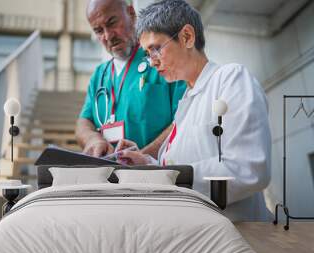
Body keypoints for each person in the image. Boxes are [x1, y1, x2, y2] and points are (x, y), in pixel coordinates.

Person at [116, 0, 272, 221]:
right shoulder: (187, 102)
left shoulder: (230, 79)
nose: (152, 62)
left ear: (187, 37)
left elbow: (248, 168)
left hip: (236, 236)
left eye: (156, 49)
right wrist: (147, 163)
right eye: (147, 54)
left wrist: (164, 176)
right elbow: (177, 169)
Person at [75, 0, 186, 158]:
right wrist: (92, 139)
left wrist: (144, 158)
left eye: (112, 22)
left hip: (156, 174)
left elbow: (185, 118)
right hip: (108, 176)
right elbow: (83, 122)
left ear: (131, 14)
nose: (108, 35)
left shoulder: (163, 59)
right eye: (99, 30)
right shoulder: (99, 75)